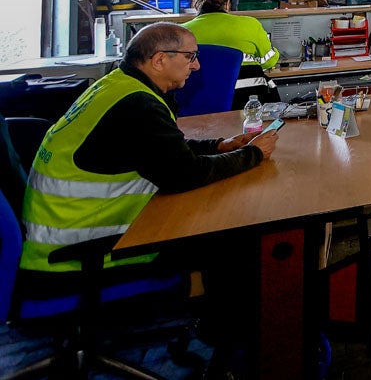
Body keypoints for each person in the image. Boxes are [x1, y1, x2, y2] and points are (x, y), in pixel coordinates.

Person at [19, 21, 278, 277]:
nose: (197, 65)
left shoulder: (118, 85)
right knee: (235, 240)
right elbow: (185, 174)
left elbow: (157, 149)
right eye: (190, 57)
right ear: (159, 60)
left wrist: (219, 145)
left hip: (69, 236)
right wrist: (253, 154)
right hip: (83, 253)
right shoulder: (139, 105)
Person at [182, 0, 279, 70]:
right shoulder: (251, 24)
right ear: (227, 3)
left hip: (203, 87)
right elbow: (269, 61)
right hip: (246, 86)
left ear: (195, 5)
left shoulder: (183, 32)